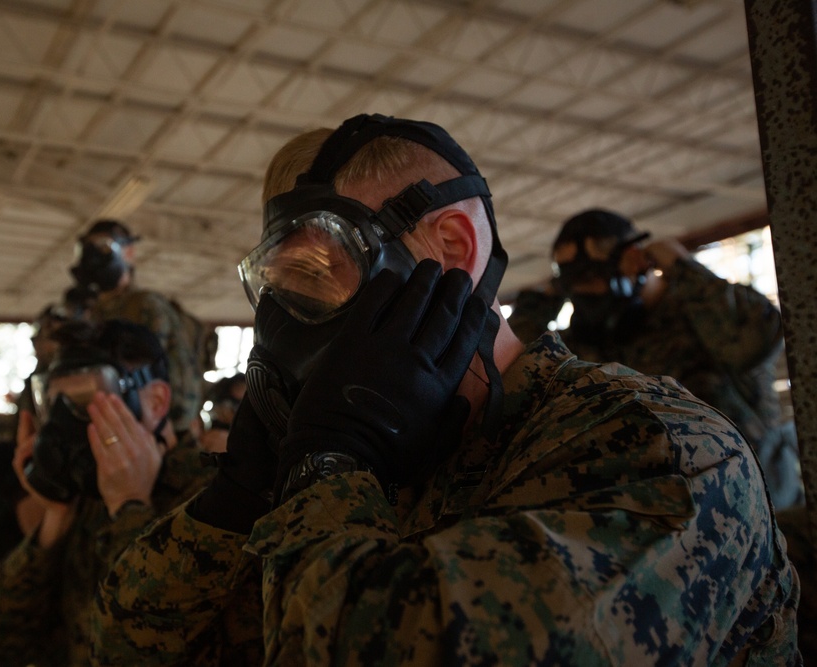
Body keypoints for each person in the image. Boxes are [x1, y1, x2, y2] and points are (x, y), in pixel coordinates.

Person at [92, 114, 800, 665]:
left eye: (321, 273)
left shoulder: (660, 449)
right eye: (282, 290)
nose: (295, 326)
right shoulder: (392, 459)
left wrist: (331, 464)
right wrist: (238, 497)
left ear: (453, 249)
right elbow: (125, 647)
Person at [507, 209, 804, 510]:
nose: (589, 294)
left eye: (594, 278)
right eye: (575, 286)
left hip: (759, 512)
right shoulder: (584, 342)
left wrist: (682, 267)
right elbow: (520, 385)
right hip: (662, 523)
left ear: (634, 259)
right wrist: (535, 307)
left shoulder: (703, 314)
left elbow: (752, 344)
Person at [0, 319, 215, 667]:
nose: (68, 425)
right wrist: (55, 517)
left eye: (86, 402)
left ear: (156, 402)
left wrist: (130, 508)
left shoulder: (212, 500)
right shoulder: (86, 496)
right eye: (58, 406)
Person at [71, 219, 213, 435]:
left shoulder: (144, 305)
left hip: (159, 428)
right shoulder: (93, 312)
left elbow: (149, 371)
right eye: (88, 248)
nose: (93, 256)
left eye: (103, 247)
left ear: (129, 253)